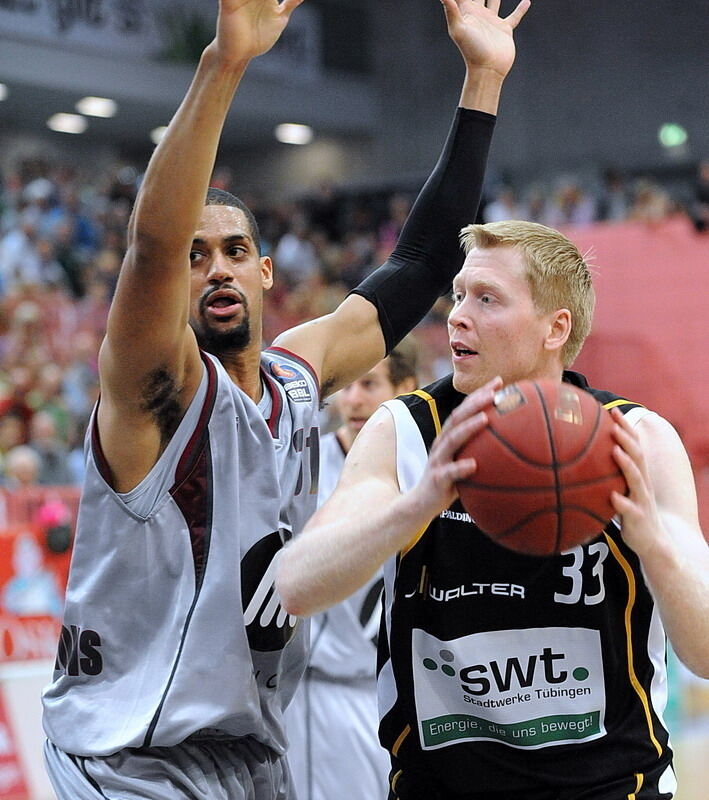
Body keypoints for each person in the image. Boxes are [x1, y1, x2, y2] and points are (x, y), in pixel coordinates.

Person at [40, 0, 531, 797]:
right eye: (197, 259)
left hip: (250, 750)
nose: (216, 269)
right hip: (130, 760)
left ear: (266, 274)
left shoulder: (299, 373)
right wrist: (223, 65)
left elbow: (421, 261)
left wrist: (482, 78)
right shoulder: (149, 391)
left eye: (235, 251)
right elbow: (152, 245)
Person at [278, 219, 709, 799]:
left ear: (555, 327)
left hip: (611, 787)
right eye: (457, 295)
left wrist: (650, 539)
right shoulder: (405, 433)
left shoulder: (634, 439)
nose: (456, 315)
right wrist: (420, 502)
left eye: (486, 299)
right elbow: (296, 586)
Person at [285, 340, 418, 800]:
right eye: (347, 385)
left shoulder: (425, 472)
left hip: (402, 697)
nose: (354, 399)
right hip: (326, 692)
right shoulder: (307, 468)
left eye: (370, 384)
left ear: (406, 389)